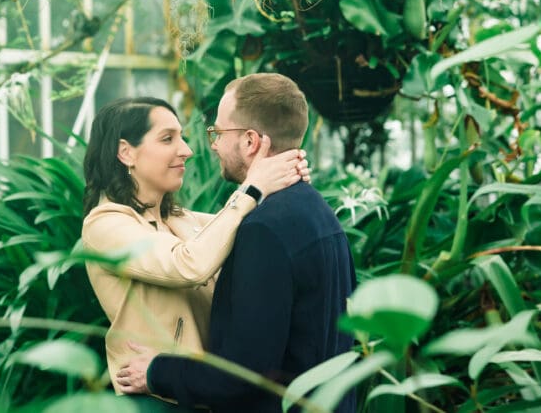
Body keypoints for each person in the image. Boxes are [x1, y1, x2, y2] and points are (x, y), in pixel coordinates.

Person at [113, 74, 357, 413]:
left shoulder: (264, 230)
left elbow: (241, 375)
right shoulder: (319, 213)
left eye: (218, 133)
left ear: (250, 141)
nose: (212, 145)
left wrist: (156, 372)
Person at [81, 97, 310, 410]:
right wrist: (253, 188)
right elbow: (188, 264)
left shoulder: (178, 219)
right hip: (154, 399)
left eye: (182, 137)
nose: (186, 150)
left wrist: (281, 180)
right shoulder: (105, 225)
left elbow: (247, 228)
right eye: (167, 139)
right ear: (126, 152)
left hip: (196, 391)